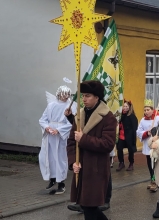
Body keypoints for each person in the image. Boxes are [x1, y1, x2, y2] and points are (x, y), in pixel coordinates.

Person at [67, 80, 117, 220]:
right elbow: (71, 142)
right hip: (81, 169)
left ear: (97, 97)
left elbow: (108, 144)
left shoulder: (108, 117)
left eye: (88, 96)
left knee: (90, 208)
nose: (84, 99)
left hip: (96, 169)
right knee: (87, 208)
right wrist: (73, 163)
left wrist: (84, 139)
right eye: (83, 96)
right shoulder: (79, 115)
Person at [39, 85, 74, 194]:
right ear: (59, 93)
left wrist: (58, 130)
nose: (66, 96)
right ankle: (52, 179)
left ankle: (61, 183)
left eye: (67, 94)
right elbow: (42, 119)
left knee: (60, 159)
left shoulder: (70, 106)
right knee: (48, 158)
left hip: (60, 138)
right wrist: (47, 127)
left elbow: (71, 123)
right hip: (50, 137)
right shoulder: (51, 105)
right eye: (64, 93)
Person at [136, 99, 159, 192]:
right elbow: (138, 131)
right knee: (150, 165)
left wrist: (156, 133)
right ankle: (152, 179)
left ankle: (157, 181)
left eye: (148, 110)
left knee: (155, 164)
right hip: (147, 146)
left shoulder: (157, 118)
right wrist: (147, 133)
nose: (146, 112)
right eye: (145, 110)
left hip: (156, 145)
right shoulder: (143, 120)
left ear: (152, 110)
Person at [116, 100, 138, 171]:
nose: (124, 108)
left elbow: (134, 128)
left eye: (126, 106)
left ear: (129, 107)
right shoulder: (121, 115)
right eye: (124, 106)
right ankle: (121, 162)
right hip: (121, 136)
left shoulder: (132, 116)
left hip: (129, 136)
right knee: (119, 148)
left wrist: (133, 138)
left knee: (130, 150)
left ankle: (131, 163)